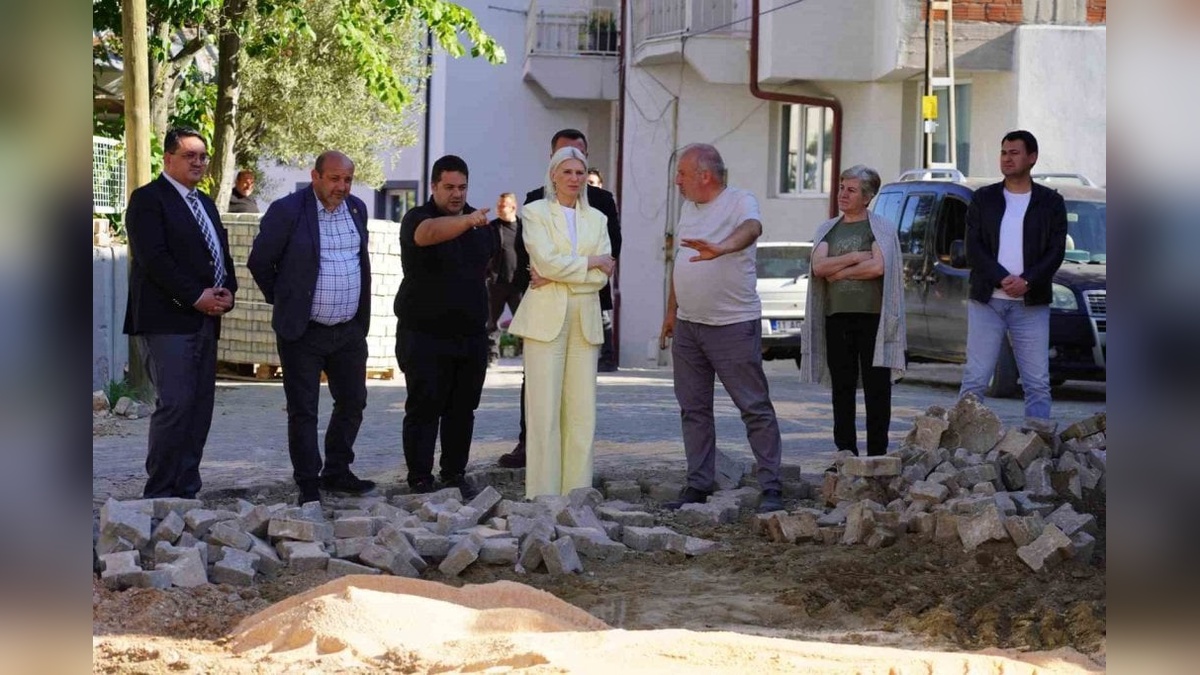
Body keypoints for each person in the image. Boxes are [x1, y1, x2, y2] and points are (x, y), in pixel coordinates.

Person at [657, 143, 784, 514]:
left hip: (732, 325)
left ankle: (771, 487)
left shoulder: (740, 201)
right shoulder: (687, 208)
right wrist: (671, 312)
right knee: (693, 409)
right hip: (688, 327)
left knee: (753, 406)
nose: (677, 181)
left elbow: (752, 228)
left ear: (705, 175)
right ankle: (698, 484)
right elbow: (680, 262)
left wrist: (722, 248)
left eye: (682, 174)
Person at [247, 151, 375, 505]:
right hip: (304, 332)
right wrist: (286, 299)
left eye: (348, 180)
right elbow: (260, 262)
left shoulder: (356, 209)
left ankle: (337, 471)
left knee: (353, 401)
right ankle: (307, 483)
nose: (342, 187)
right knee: (304, 409)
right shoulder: (287, 211)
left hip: (348, 330)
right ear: (315, 176)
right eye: (334, 179)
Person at [496, 129, 623, 470]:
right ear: (552, 170)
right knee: (543, 407)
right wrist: (584, 263)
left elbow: (605, 268)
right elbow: (541, 260)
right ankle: (543, 487)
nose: (574, 177)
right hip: (545, 317)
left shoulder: (599, 212)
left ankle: (577, 488)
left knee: (581, 410)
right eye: (566, 169)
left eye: (580, 171)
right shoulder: (534, 208)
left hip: (585, 315)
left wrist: (555, 274)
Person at [123, 127, 238, 499]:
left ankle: (187, 489)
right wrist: (195, 296)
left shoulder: (205, 203)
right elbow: (154, 259)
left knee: (200, 407)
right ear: (168, 158)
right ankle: (160, 492)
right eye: (190, 155)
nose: (198, 162)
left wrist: (229, 291)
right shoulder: (148, 200)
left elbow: (221, 252)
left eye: (203, 156)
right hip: (167, 321)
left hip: (206, 319)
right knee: (175, 403)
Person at [394, 155, 497, 497]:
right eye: (449, 187)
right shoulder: (418, 218)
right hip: (424, 334)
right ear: (434, 186)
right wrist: (466, 221)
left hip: (469, 336)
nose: (456, 194)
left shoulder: (480, 225)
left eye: (462, 187)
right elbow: (427, 235)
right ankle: (420, 478)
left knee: (462, 409)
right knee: (424, 407)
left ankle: (454, 474)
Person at [959, 130, 1068, 423]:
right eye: (1003, 152)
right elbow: (973, 247)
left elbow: (1055, 251)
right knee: (976, 378)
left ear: (1032, 157)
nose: (1007, 158)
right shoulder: (984, 198)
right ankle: (962, 440)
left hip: (1031, 304)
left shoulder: (1050, 202)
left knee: (1037, 382)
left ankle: (1037, 441)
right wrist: (1001, 278)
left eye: (1014, 153)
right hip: (987, 300)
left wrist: (1027, 281)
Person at [799, 165, 907, 460]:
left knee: (877, 388)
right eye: (841, 188)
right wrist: (856, 256)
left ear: (868, 197)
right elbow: (819, 267)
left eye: (851, 190)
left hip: (874, 318)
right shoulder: (828, 229)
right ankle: (845, 452)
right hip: (837, 317)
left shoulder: (880, 228)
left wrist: (839, 272)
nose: (843, 194)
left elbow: (878, 267)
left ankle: (877, 455)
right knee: (842, 388)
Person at [486, 192, 524, 364]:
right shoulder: (492, 227)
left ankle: (528, 354)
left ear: (513, 207)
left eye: (503, 206)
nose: (499, 209)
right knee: (492, 321)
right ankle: (491, 355)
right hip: (497, 282)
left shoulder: (524, 228)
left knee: (524, 321)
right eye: (498, 206)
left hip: (518, 283)